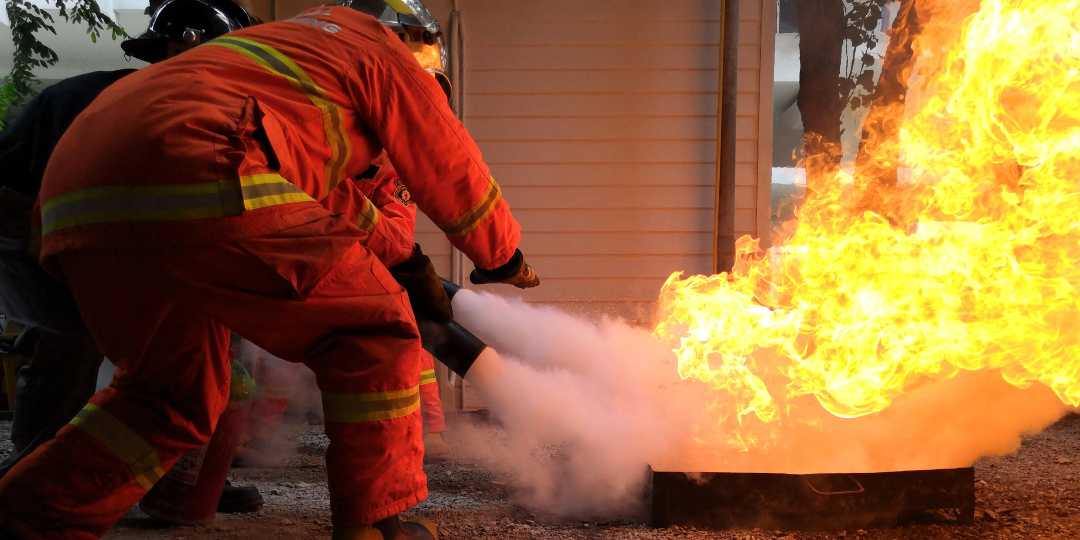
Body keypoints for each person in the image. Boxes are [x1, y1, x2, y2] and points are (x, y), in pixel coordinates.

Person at [0, 1, 539, 538]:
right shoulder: (376, 50)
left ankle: (26, 519)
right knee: (373, 327)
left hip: (76, 207)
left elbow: (340, 203)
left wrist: (408, 260)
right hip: (198, 170)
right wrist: (503, 257)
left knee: (168, 394)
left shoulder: (278, 68)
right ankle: (376, 527)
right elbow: (447, 161)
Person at [0, 0, 263, 514]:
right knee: (67, 345)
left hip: (117, 249)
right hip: (37, 240)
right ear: (180, 46)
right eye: (224, 56)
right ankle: (33, 479)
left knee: (192, 356)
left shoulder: (199, 113)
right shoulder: (93, 101)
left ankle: (168, 482)